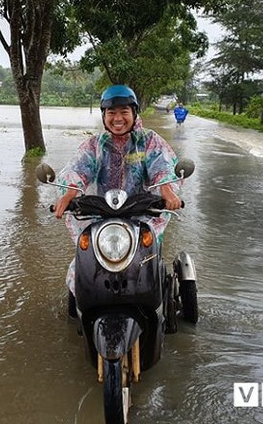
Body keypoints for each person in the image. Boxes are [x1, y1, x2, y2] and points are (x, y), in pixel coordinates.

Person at [53, 84, 183, 295]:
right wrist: (69, 193)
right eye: (111, 112)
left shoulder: (149, 140)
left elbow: (162, 167)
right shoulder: (95, 145)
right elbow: (78, 169)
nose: (118, 118)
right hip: (101, 216)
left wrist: (167, 190)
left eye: (124, 112)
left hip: (142, 215)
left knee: (148, 262)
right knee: (83, 264)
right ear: (104, 116)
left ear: (134, 113)